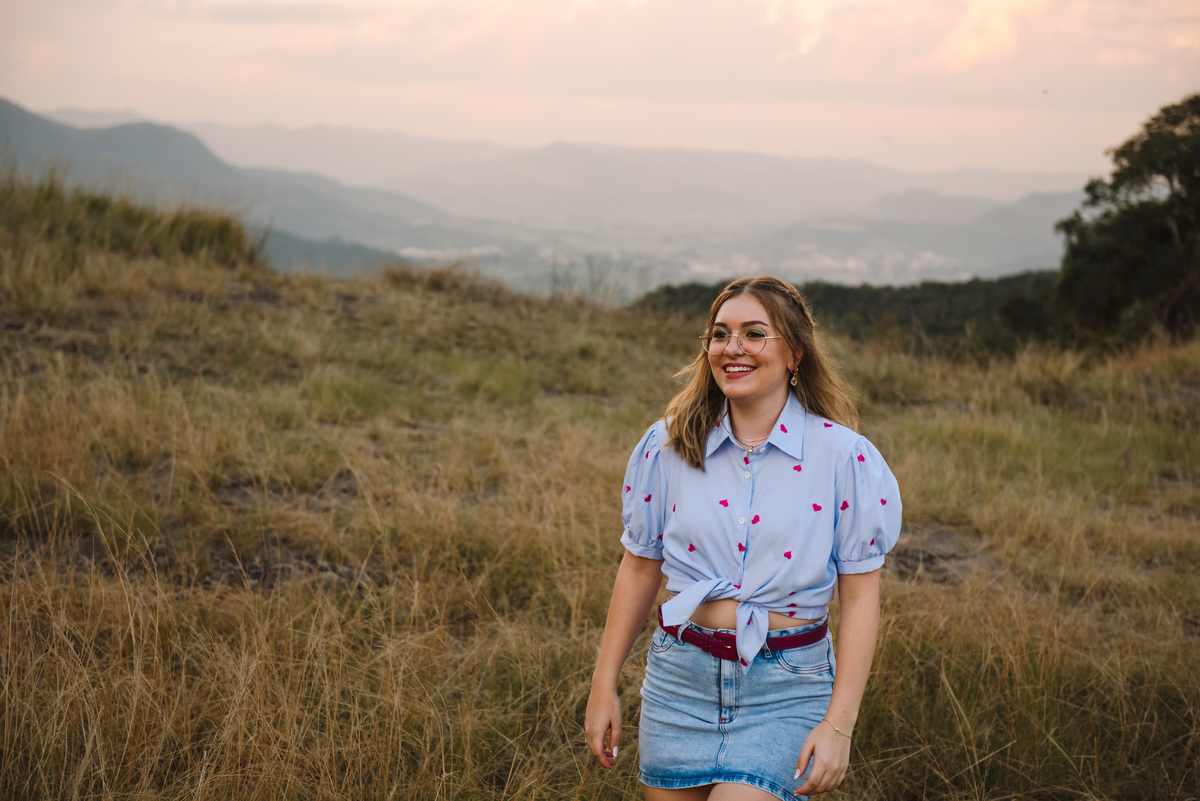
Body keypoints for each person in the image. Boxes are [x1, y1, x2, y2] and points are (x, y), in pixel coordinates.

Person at [584, 276, 902, 800]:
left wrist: (839, 725)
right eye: (720, 334)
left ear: (795, 353)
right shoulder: (668, 444)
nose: (732, 347)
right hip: (679, 682)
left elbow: (861, 596)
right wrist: (603, 686)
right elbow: (640, 566)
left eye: (754, 333)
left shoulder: (844, 457)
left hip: (786, 689)